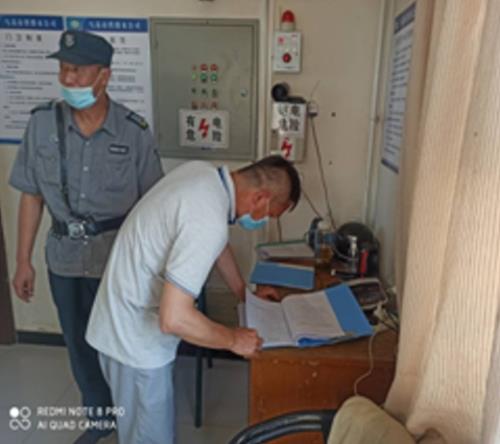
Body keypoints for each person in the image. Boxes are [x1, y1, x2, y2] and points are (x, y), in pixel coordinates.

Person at [9, 30, 163, 444]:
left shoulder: (133, 132)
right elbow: (31, 196)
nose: (68, 79)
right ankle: (100, 419)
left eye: (77, 71)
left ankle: (131, 421)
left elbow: (153, 207)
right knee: (79, 344)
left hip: (117, 260)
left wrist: (155, 271)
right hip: (63, 258)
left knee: (121, 345)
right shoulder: (42, 124)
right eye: (63, 69)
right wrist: (22, 261)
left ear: (103, 76)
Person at [85, 155, 301, 444]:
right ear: (260, 198)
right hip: (133, 340)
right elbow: (174, 318)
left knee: (141, 428)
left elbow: (218, 244)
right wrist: (234, 340)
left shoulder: (204, 176)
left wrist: (243, 293)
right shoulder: (207, 218)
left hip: (125, 319)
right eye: (270, 215)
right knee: (149, 437)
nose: (263, 221)